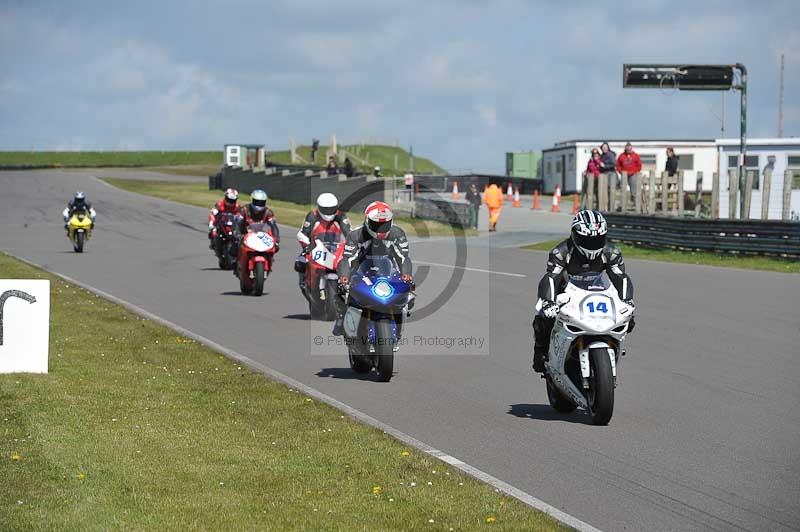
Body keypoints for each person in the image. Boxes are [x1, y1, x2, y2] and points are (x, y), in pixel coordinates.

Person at [531, 209, 635, 373]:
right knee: (543, 317)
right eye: (587, 240)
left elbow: (620, 277)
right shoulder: (561, 253)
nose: (592, 245)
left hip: (598, 291)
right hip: (565, 292)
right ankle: (541, 351)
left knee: (629, 319)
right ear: (575, 235)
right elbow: (551, 278)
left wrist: (627, 300)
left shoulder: (611, 252)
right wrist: (549, 302)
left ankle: (612, 348)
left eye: (597, 240)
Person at [332, 201, 413, 336]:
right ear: (367, 221)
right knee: (341, 290)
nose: (380, 229)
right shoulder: (355, 235)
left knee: (409, 295)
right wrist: (344, 277)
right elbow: (347, 259)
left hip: (387, 271)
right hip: (361, 271)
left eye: (384, 224)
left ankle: (398, 324)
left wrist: (406, 275)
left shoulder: (397, 233)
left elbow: (403, 257)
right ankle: (341, 317)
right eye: (377, 225)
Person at [295, 193, 351, 290]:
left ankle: (347, 285)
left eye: (332, 209)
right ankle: (304, 282)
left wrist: (351, 245)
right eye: (326, 209)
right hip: (316, 246)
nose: (329, 212)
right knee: (300, 261)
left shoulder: (341, 216)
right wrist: (307, 245)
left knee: (352, 262)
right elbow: (303, 234)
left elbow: (349, 234)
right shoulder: (312, 216)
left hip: (336, 247)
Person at [231, 189, 280, 272]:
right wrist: (237, 234)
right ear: (252, 200)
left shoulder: (268, 212)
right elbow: (237, 223)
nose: (258, 205)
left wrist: (276, 238)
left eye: (261, 202)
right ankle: (235, 261)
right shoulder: (244, 210)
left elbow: (274, 226)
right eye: (256, 202)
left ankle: (269, 260)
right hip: (245, 234)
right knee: (235, 244)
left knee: (275, 247)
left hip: (261, 235)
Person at [615, 142, 642, 208]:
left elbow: (639, 165)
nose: (628, 150)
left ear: (631, 148)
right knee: (623, 190)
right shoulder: (621, 155)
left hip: (633, 174)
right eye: (627, 149)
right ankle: (622, 205)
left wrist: (635, 172)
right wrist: (621, 172)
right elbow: (618, 165)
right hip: (624, 175)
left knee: (634, 190)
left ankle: (635, 204)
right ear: (625, 149)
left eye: (629, 149)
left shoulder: (636, 155)